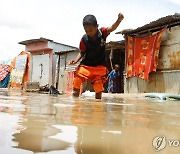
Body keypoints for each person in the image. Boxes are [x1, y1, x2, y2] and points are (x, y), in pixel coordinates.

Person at [69, 13, 124, 99]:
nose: (88, 33)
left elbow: (112, 28)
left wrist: (118, 20)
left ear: (97, 26)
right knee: (77, 80)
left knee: (98, 88)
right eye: (86, 31)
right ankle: (75, 101)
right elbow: (82, 52)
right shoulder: (84, 39)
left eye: (91, 30)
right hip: (86, 66)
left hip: (99, 66)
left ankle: (98, 107)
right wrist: (75, 61)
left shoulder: (102, 33)